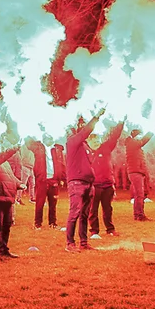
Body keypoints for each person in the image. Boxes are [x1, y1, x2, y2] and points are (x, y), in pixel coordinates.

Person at [64, 107, 106, 252]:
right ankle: (70, 244)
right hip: (77, 183)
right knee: (74, 213)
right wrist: (96, 117)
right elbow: (85, 132)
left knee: (84, 215)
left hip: (88, 183)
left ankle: (83, 242)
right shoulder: (72, 142)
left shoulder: (84, 146)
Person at [89, 120, 125, 239]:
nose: (96, 143)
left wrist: (120, 123)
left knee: (108, 209)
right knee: (93, 210)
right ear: (89, 142)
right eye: (94, 141)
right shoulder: (86, 152)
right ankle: (94, 231)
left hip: (107, 184)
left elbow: (114, 137)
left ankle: (110, 229)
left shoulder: (106, 147)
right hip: (94, 186)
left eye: (98, 141)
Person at [125, 130, 153, 221]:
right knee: (139, 194)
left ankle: (138, 214)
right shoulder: (132, 143)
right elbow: (143, 141)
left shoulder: (134, 145)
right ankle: (140, 215)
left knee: (138, 194)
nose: (140, 137)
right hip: (135, 172)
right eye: (139, 135)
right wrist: (150, 132)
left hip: (137, 171)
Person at [29, 139, 56, 229]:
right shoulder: (38, 147)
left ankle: (52, 223)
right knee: (40, 202)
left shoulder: (55, 149)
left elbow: (60, 163)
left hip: (53, 179)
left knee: (53, 204)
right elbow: (28, 144)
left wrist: (60, 177)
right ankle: (38, 223)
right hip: (42, 180)